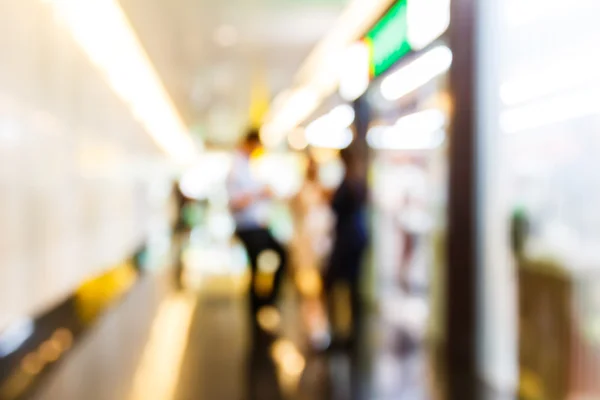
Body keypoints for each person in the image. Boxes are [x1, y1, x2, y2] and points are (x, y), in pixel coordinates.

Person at [227, 129, 287, 325]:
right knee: (273, 257)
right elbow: (236, 202)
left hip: (256, 224)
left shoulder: (246, 166)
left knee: (274, 258)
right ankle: (261, 305)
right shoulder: (236, 169)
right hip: (248, 227)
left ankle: (263, 304)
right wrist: (259, 193)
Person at [324, 147, 369, 347]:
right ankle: (351, 331)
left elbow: (336, 207)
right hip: (356, 236)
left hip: (347, 239)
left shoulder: (349, 183)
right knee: (352, 285)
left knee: (335, 283)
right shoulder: (359, 181)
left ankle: (342, 331)